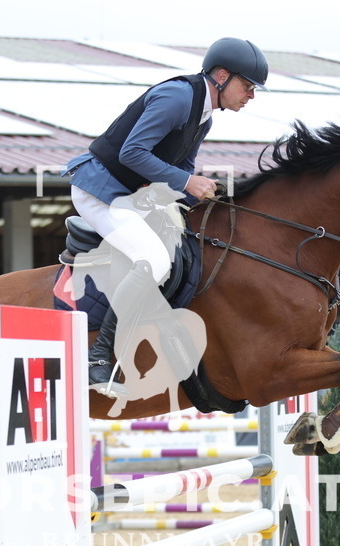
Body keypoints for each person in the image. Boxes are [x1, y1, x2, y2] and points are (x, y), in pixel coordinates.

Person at [64, 37, 269, 396]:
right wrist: (189, 182)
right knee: (155, 259)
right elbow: (132, 153)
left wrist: (199, 197)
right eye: (247, 85)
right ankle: (97, 356)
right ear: (221, 76)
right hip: (100, 191)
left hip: (130, 197)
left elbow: (180, 169)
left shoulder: (203, 117)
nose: (251, 95)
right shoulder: (178, 98)